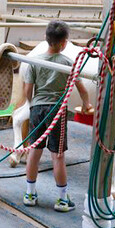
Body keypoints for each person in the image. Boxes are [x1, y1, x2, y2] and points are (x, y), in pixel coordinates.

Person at [22, 21, 93, 212]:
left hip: (37, 109)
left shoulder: (35, 61)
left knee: (34, 152)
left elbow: (27, 90)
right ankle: (62, 200)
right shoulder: (68, 63)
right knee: (58, 156)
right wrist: (86, 104)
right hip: (56, 112)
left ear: (46, 39)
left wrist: (33, 103)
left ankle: (29, 194)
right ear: (64, 43)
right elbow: (83, 90)